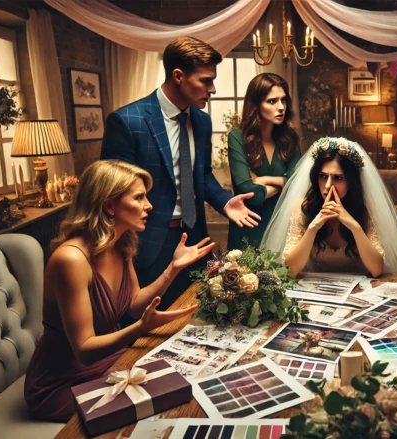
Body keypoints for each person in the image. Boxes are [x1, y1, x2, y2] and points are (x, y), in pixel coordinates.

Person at [24, 160, 215, 422]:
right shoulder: (71, 260)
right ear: (109, 205)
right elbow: (84, 349)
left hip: (111, 361)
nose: (149, 205)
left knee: (192, 378)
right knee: (170, 405)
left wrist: (173, 268)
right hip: (63, 381)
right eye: (139, 197)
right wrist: (140, 328)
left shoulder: (120, 242)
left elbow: (134, 304)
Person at [101, 36, 260, 311]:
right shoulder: (127, 121)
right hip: (146, 242)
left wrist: (224, 202)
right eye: (206, 80)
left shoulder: (201, 121)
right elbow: (112, 192)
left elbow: (203, 175)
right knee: (147, 323)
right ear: (178, 76)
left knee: (200, 315)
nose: (212, 89)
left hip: (195, 237)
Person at [262, 137, 397, 278]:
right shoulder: (303, 206)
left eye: (338, 178)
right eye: (323, 176)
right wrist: (313, 228)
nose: (327, 186)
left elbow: (376, 270)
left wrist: (354, 226)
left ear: (351, 181)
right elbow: (290, 272)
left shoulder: (366, 208)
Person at [227, 73, 301, 250]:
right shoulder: (237, 138)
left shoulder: (290, 139)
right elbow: (247, 191)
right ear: (256, 105)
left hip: (282, 224)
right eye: (272, 101)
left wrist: (263, 180)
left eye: (283, 100)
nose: (281, 107)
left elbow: (300, 182)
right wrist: (284, 182)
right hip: (249, 224)